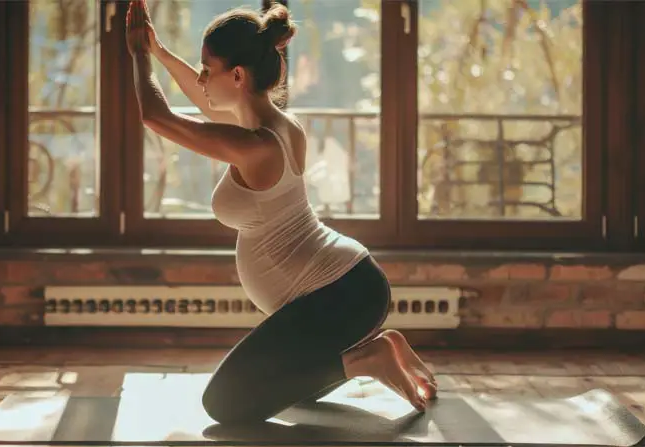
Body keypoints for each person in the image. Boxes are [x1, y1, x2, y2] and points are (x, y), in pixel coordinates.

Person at [125, 0, 437, 424]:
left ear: (236, 75)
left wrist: (138, 55)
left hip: (339, 296)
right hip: (352, 285)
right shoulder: (282, 128)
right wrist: (160, 51)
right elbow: (206, 101)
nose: (199, 79)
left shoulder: (257, 147)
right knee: (289, 386)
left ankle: (371, 358)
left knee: (225, 403)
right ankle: (376, 349)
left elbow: (156, 117)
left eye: (206, 68)